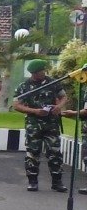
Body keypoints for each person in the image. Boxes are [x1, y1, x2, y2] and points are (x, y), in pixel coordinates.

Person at [13, 57, 66, 191]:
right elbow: (16, 105)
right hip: (34, 124)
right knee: (32, 152)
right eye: (36, 73)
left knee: (54, 152)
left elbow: (64, 97)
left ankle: (57, 182)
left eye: (40, 72)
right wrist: (35, 111)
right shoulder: (24, 86)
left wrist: (59, 106)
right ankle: (32, 181)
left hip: (51, 123)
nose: (38, 74)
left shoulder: (53, 83)